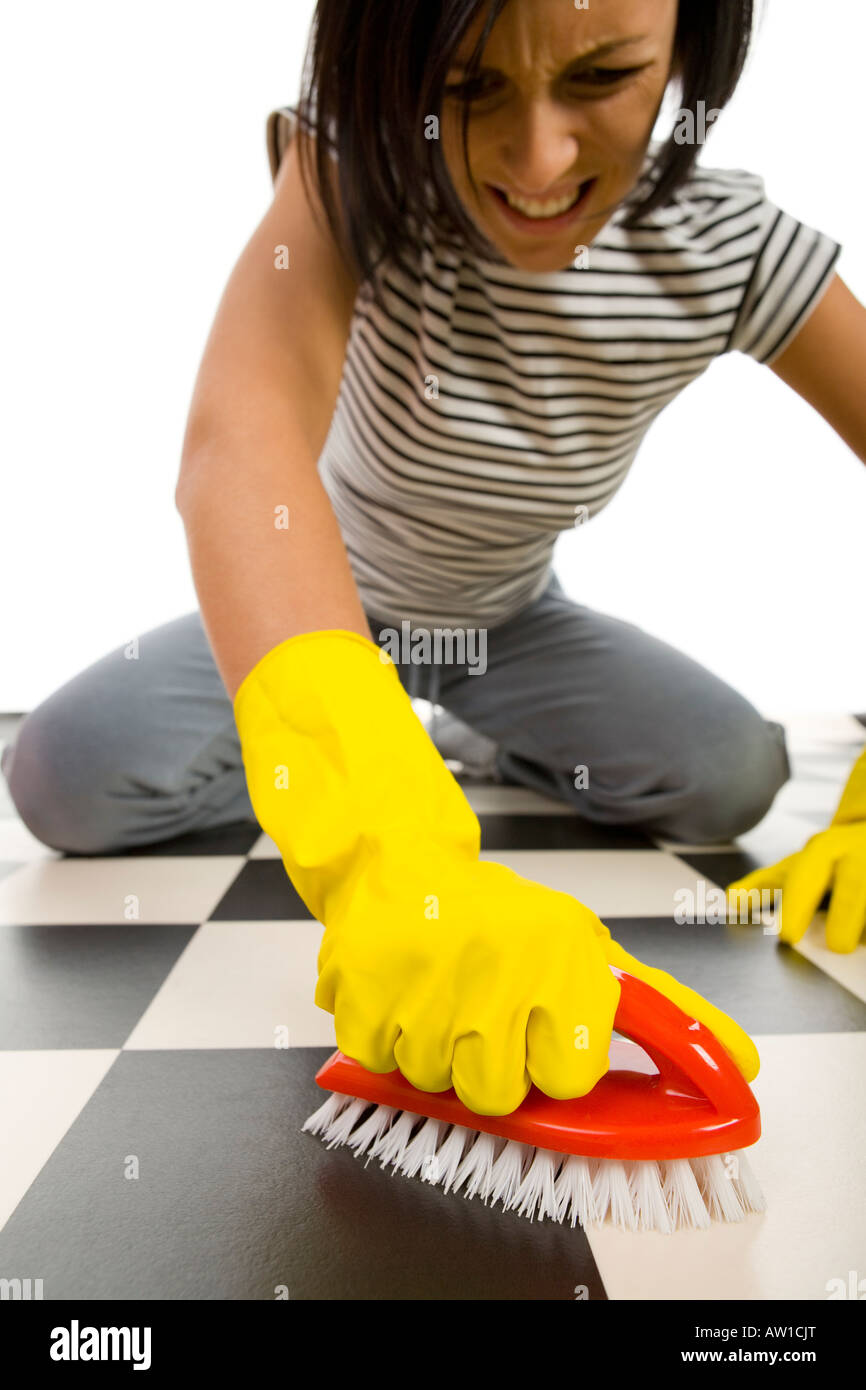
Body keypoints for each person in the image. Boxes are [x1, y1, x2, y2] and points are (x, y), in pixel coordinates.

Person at [4, 0, 864, 1115]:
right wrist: (374, 840)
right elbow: (239, 444)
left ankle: (462, 732)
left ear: (691, 50)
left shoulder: (734, 249)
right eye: (469, 92)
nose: (538, 158)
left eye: (600, 78)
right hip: (327, 611)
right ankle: (387, 732)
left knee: (730, 776)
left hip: (509, 623)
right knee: (62, 784)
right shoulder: (350, 176)